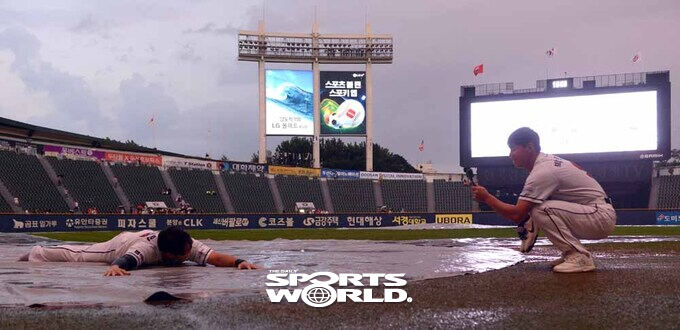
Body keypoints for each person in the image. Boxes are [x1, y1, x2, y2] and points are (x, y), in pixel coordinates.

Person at [470, 127, 616, 273]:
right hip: (595, 211)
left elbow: (517, 214)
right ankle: (569, 253)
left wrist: (487, 198)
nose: (510, 155)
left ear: (530, 147)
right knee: (538, 206)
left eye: (514, 149)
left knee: (541, 209)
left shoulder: (543, 171)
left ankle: (578, 256)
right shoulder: (548, 162)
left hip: (600, 216)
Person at [20, 226, 258, 276]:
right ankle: (38, 251)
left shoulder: (186, 243)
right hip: (122, 244)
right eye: (184, 255)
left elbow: (214, 257)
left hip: (148, 235)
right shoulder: (146, 250)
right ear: (167, 255)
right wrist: (115, 267)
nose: (190, 255)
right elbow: (126, 260)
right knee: (81, 254)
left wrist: (240, 260)